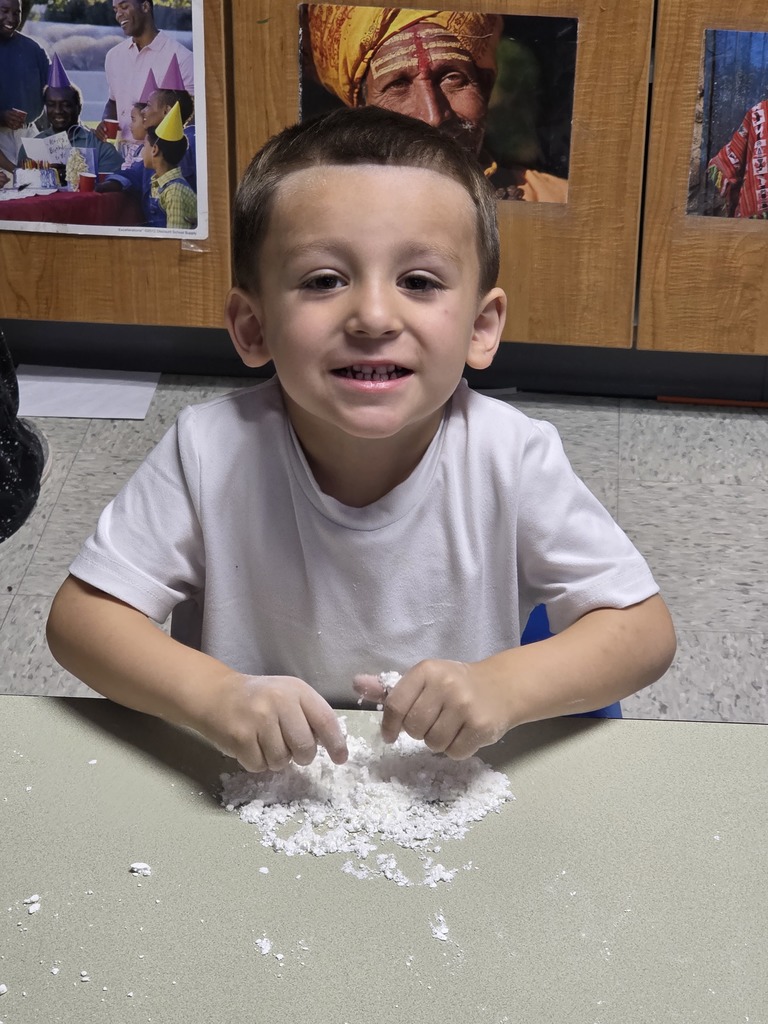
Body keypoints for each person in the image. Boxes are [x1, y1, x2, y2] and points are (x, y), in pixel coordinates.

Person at [46, 106, 675, 773]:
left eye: (419, 282)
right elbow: (81, 622)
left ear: (481, 328)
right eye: (324, 281)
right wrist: (215, 697)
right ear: (253, 327)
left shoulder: (512, 456)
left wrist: (504, 687)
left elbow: (643, 631)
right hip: (259, 789)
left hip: (446, 787)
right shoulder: (208, 450)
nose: (374, 317)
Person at [304, 5, 567, 203]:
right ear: (362, 111)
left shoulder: (555, 199)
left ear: (485, 86)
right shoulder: (327, 212)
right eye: (398, 85)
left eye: (451, 78)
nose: (433, 117)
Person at [96, 84, 195, 224]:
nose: (143, 112)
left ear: (166, 111)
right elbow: (134, 173)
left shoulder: (193, 143)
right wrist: (112, 182)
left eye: (148, 105)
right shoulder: (152, 144)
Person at [99, 0, 194, 142]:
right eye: (115, 10)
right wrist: (105, 122)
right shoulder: (114, 56)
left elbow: (194, 115)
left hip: (159, 153)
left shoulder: (183, 58)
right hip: (123, 153)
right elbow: (113, 102)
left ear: (145, 6)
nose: (118, 14)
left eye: (124, 7)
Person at [17, 77, 123, 176]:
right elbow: (22, 185)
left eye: (66, 105)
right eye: (51, 105)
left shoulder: (100, 147)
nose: (58, 111)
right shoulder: (30, 149)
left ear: (79, 108)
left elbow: (115, 184)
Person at [0, 0, 48, 173]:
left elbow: (58, 91)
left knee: (43, 186)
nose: (11, 18)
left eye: (16, 13)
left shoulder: (33, 49)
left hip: (30, 135)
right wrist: (2, 116)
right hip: (1, 140)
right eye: (4, 11)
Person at [707, 97, 768, 219]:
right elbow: (728, 160)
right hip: (756, 219)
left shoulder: (759, 111)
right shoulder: (759, 113)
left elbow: (726, 161)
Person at [142, 101, 196, 229]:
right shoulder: (158, 183)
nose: (142, 152)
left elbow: (175, 237)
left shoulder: (174, 191)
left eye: (144, 146)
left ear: (154, 150)